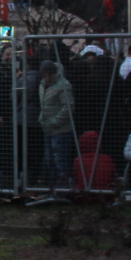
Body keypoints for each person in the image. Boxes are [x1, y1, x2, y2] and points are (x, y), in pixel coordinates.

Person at [37, 61, 76, 192]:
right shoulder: (43, 84)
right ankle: (53, 188)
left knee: (60, 159)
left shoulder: (63, 85)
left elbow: (68, 107)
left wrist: (54, 121)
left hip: (60, 129)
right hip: (47, 127)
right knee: (50, 159)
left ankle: (63, 190)